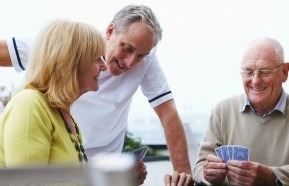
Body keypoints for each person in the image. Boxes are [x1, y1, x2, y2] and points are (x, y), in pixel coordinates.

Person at [0, 4, 192, 185]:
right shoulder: (68, 45)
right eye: (127, 48)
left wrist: (182, 177)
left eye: (141, 56)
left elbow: (168, 113)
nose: (131, 63)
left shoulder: (70, 123)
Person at [193, 37, 289, 185]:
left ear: (284, 72)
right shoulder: (222, 111)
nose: (255, 80)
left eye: (265, 72)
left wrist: (272, 177)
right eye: (248, 71)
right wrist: (209, 175)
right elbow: (199, 167)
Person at [0, 19, 106, 167]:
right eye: (97, 58)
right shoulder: (30, 104)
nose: (105, 66)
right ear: (71, 62)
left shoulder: (65, 116)